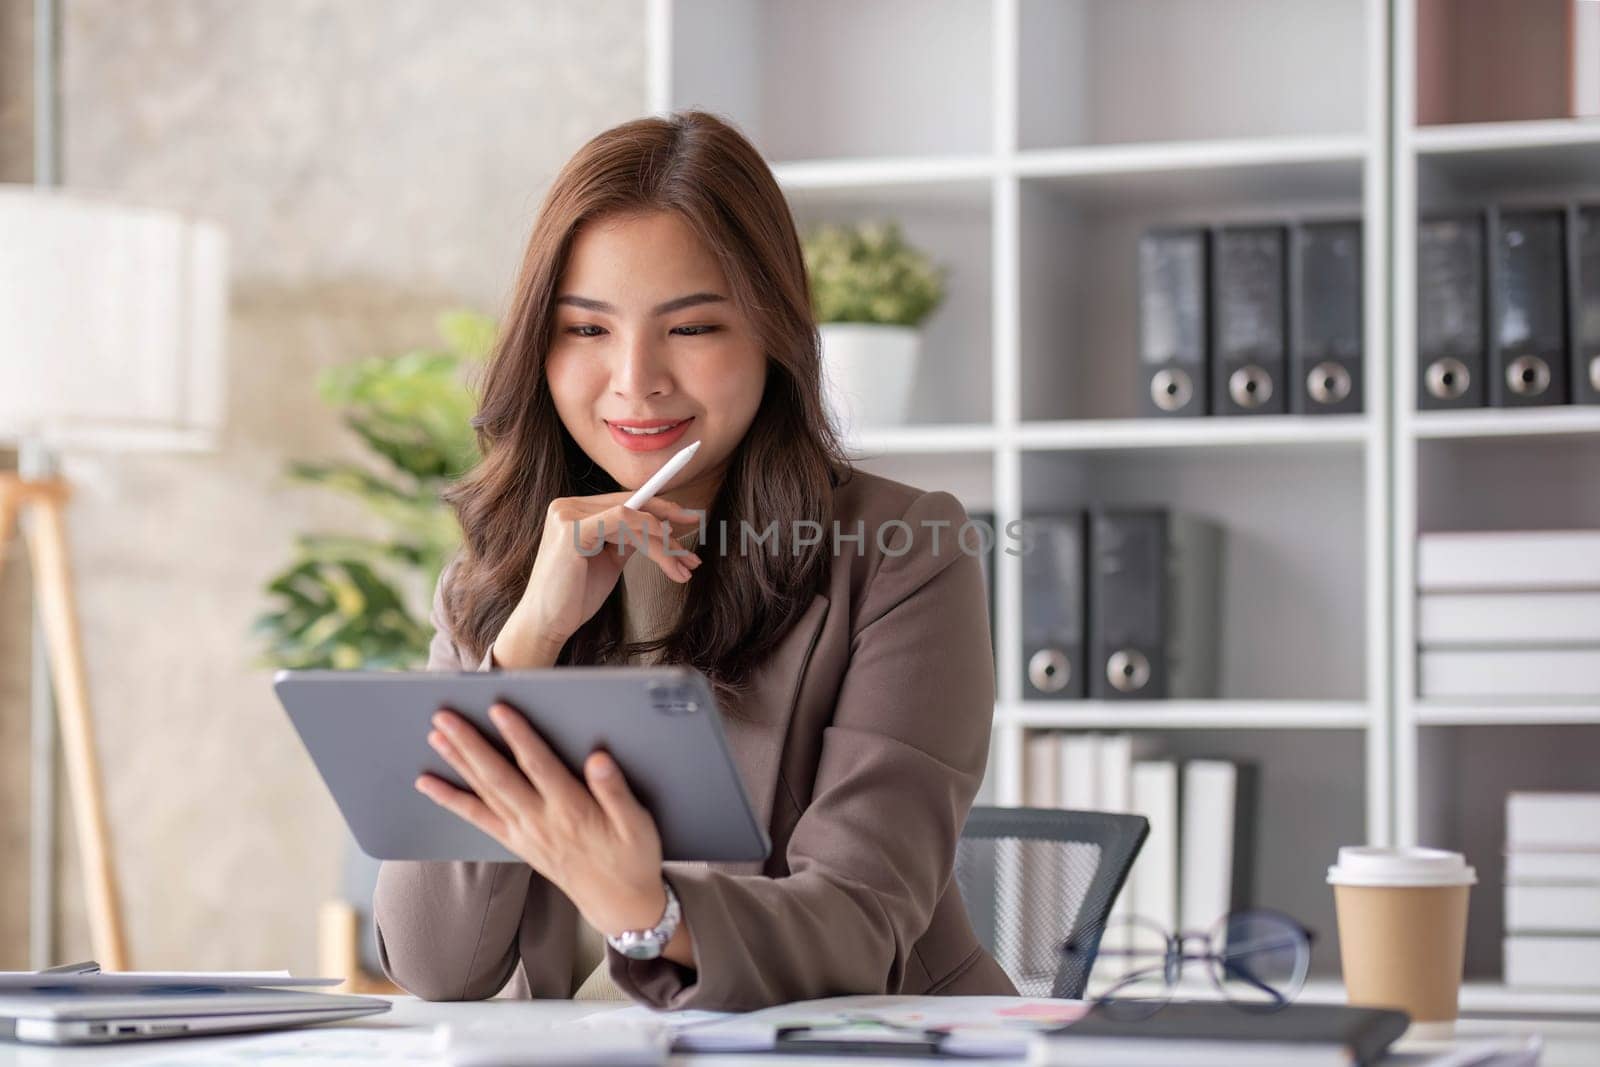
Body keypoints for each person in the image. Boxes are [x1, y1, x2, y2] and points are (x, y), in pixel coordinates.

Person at [373, 110, 1012, 1012]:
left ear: (772, 334)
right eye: (587, 330)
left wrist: (648, 911)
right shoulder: (498, 576)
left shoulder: (906, 554)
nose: (635, 380)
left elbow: (861, 926)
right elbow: (438, 962)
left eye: (694, 327)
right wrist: (529, 641)